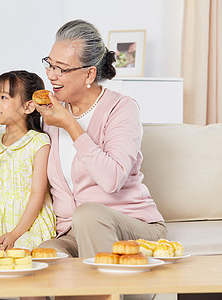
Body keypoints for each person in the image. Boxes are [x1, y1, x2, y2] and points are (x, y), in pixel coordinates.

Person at [34, 19, 167, 258]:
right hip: (72, 232)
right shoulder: (50, 113)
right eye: (49, 64)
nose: (50, 75)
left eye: (60, 68)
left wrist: (70, 125)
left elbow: (111, 180)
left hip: (129, 226)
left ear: (90, 73)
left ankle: (115, 292)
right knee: (44, 255)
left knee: (88, 214)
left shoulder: (121, 108)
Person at [0, 70, 56, 257]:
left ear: (28, 107)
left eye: (4, 97)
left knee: (18, 256)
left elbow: (38, 193)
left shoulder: (39, 142)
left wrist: (15, 234)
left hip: (28, 221)